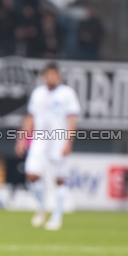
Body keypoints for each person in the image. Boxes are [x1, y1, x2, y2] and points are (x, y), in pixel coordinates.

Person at [16, 62, 81, 231]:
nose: (51, 78)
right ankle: (43, 206)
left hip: (58, 139)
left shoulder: (67, 94)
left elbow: (72, 119)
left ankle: (57, 216)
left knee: (59, 178)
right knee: (31, 174)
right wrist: (22, 138)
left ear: (59, 76)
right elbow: (31, 117)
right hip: (40, 139)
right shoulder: (38, 94)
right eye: (49, 75)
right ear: (44, 76)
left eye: (54, 75)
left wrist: (69, 142)